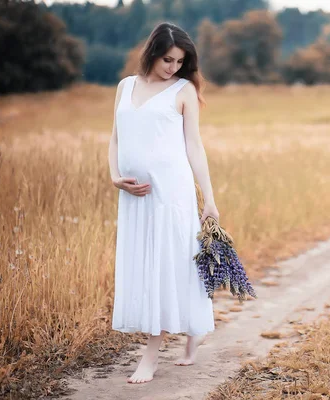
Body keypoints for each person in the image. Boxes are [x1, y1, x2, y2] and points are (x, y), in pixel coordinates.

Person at [107, 21, 220, 384]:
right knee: (152, 265)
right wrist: (114, 177)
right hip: (135, 197)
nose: (173, 67)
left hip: (170, 193)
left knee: (166, 265)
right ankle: (194, 329)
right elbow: (115, 139)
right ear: (152, 52)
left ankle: (151, 358)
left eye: (179, 61)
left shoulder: (183, 90)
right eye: (168, 59)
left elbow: (194, 147)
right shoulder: (126, 86)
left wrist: (210, 200)